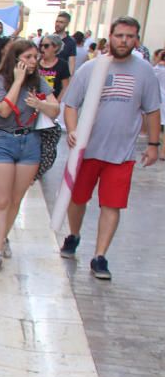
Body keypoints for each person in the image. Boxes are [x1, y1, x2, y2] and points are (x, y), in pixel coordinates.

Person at [59, 16, 161, 280]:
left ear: (136, 39)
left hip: (121, 154)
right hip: (88, 150)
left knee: (112, 205)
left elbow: (152, 109)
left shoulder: (145, 71)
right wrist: (72, 130)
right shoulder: (91, 69)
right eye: (119, 35)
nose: (124, 41)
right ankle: (74, 234)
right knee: (78, 199)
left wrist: (153, 144)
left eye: (129, 36)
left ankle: (100, 256)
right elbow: (71, 104)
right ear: (110, 36)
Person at [0, 38, 60, 273]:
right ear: (15, 59)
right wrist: (17, 82)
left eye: (35, 57)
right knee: (1, 200)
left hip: (30, 142)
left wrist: (40, 104)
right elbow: (4, 110)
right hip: (3, 140)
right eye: (27, 57)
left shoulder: (39, 83)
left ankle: (3, 237)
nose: (34, 61)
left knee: (16, 199)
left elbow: (55, 109)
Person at [37, 33, 72, 98]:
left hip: (52, 103)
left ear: (56, 47)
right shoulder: (36, 62)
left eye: (46, 46)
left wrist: (56, 103)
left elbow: (65, 87)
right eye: (41, 45)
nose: (42, 49)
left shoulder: (62, 65)